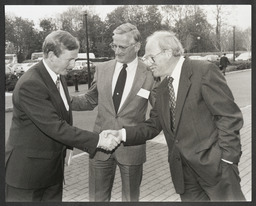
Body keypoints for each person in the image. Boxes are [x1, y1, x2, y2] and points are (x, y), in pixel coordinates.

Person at [110, 31, 246, 201]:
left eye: (151, 57)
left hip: (216, 170)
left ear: (167, 53)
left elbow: (228, 116)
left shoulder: (203, 71)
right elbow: (153, 125)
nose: (147, 63)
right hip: (184, 174)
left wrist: (226, 160)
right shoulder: (162, 88)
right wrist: (121, 134)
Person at [5, 30, 120, 202]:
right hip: (27, 176)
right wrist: (98, 140)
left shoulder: (58, 76)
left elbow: (64, 112)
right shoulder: (31, 84)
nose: (73, 65)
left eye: (75, 59)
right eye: (69, 59)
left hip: (51, 171)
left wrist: (67, 148)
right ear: (51, 55)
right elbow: (55, 126)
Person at [71, 23, 156, 202]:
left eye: (122, 47)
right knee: (97, 198)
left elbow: (158, 113)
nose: (116, 51)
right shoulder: (102, 69)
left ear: (137, 46)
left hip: (132, 148)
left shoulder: (149, 73)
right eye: (114, 46)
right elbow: (90, 99)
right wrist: (62, 99)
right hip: (100, 145)